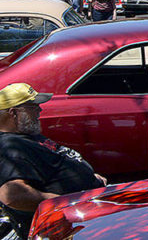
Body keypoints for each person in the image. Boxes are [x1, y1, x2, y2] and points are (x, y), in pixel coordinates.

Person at [0, 83, 105, 238]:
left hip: (91, 203)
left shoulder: (27, 136)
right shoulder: (9, 146)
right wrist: (67, 202)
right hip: (70, 219)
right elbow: (13, 196)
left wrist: (90, 177)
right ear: (14, 113)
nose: (39, 111)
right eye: (33, 107)